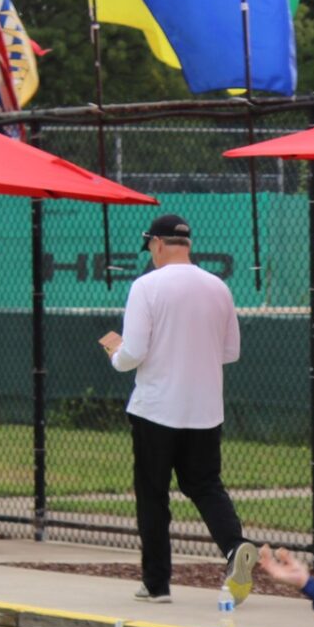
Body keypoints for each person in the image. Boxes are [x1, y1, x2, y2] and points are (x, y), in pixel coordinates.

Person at [102, 212, 257, 606]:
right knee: (205, 485)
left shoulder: (146, 287)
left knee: (153, 494)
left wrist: (115, 353)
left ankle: (157, 583)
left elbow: (132, 353)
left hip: (155, 408)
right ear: (186, 244)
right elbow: (231, 352)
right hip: (205, 409)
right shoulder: (218, 287)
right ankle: (234, 546)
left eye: (150, 248)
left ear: (156, 243)